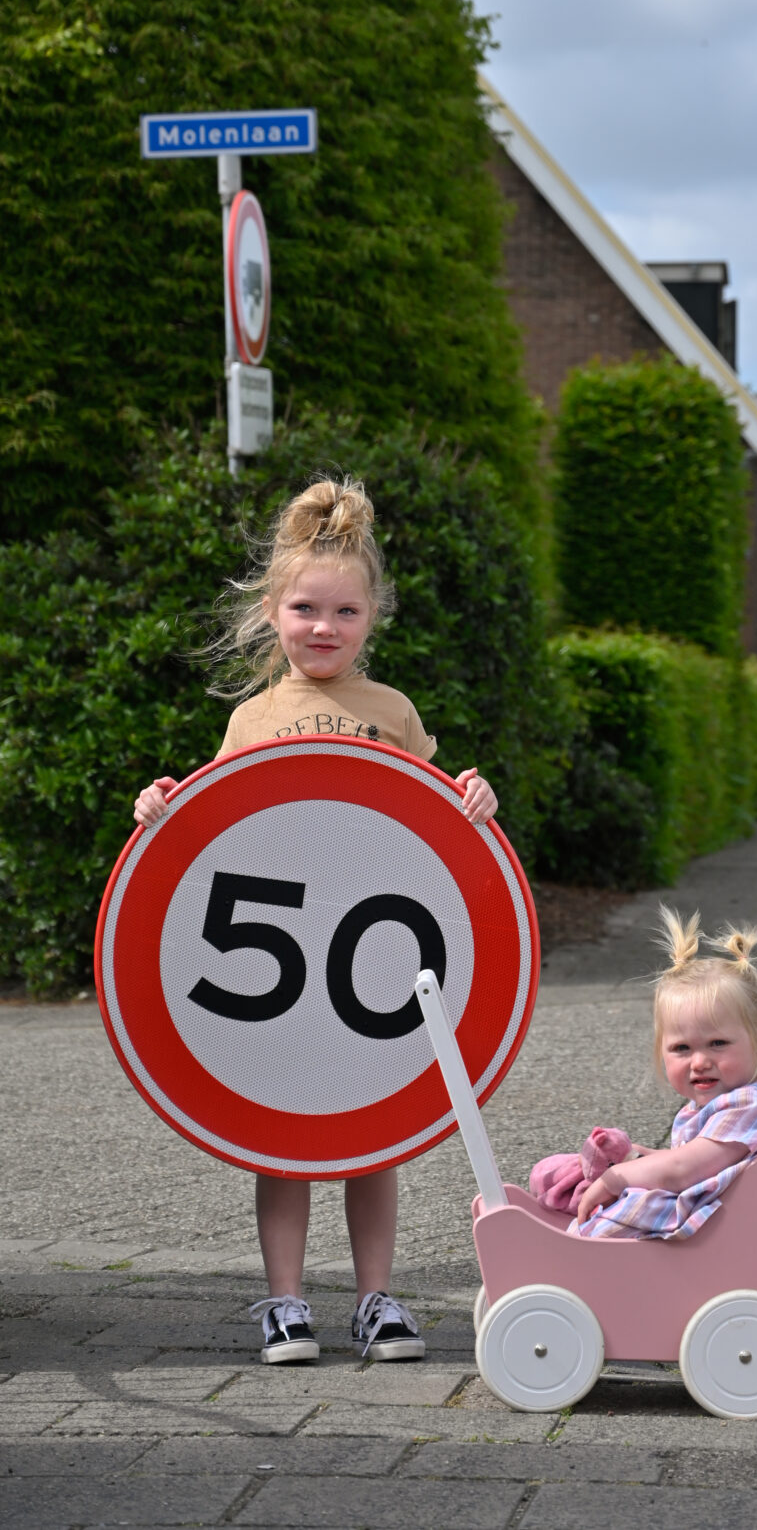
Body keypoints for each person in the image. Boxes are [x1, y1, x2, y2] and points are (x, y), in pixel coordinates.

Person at [133, 476, 498, 1365]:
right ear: (272, 611)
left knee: (376, 1141)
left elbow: (432, 832)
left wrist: (475, 803)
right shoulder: (251, 718)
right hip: (279, 967)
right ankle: (285, 1302)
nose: (323, 626)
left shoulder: (394, 713)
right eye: (305, 608)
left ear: (373, 616)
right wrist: (160, 812)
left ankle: (376, 1299)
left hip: (370, 962)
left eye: (344, 610)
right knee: (284, 1141)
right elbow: (215, 840)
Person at [573, 906, 757, 1239]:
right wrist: (638, 1158)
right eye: (681, 1049)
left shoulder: (749, 1105)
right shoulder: (723, 1103)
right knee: (613, 1192)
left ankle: (576, 1261)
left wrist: (616, 1177)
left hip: (727, 1231)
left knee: (617, 1212)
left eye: (717, 1043)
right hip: (722, 1224)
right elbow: (689, 1160)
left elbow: (683, 1171)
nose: (699, 1062)